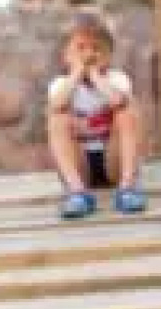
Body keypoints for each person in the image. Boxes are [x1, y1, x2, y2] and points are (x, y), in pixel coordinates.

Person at [45, 12, 148, 219]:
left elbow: (117, 101)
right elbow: (57, 103)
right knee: (57, 117)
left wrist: (95, 76)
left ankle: (127, 187)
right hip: (81, 164)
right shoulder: (60, 84)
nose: (89, 54)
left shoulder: (117, 79)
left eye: (97, 48)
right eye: (80, 48)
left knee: (127, 111)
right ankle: (77, 192)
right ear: (66, 56)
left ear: (109, 56)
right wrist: (76, 74)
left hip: (112, 161)